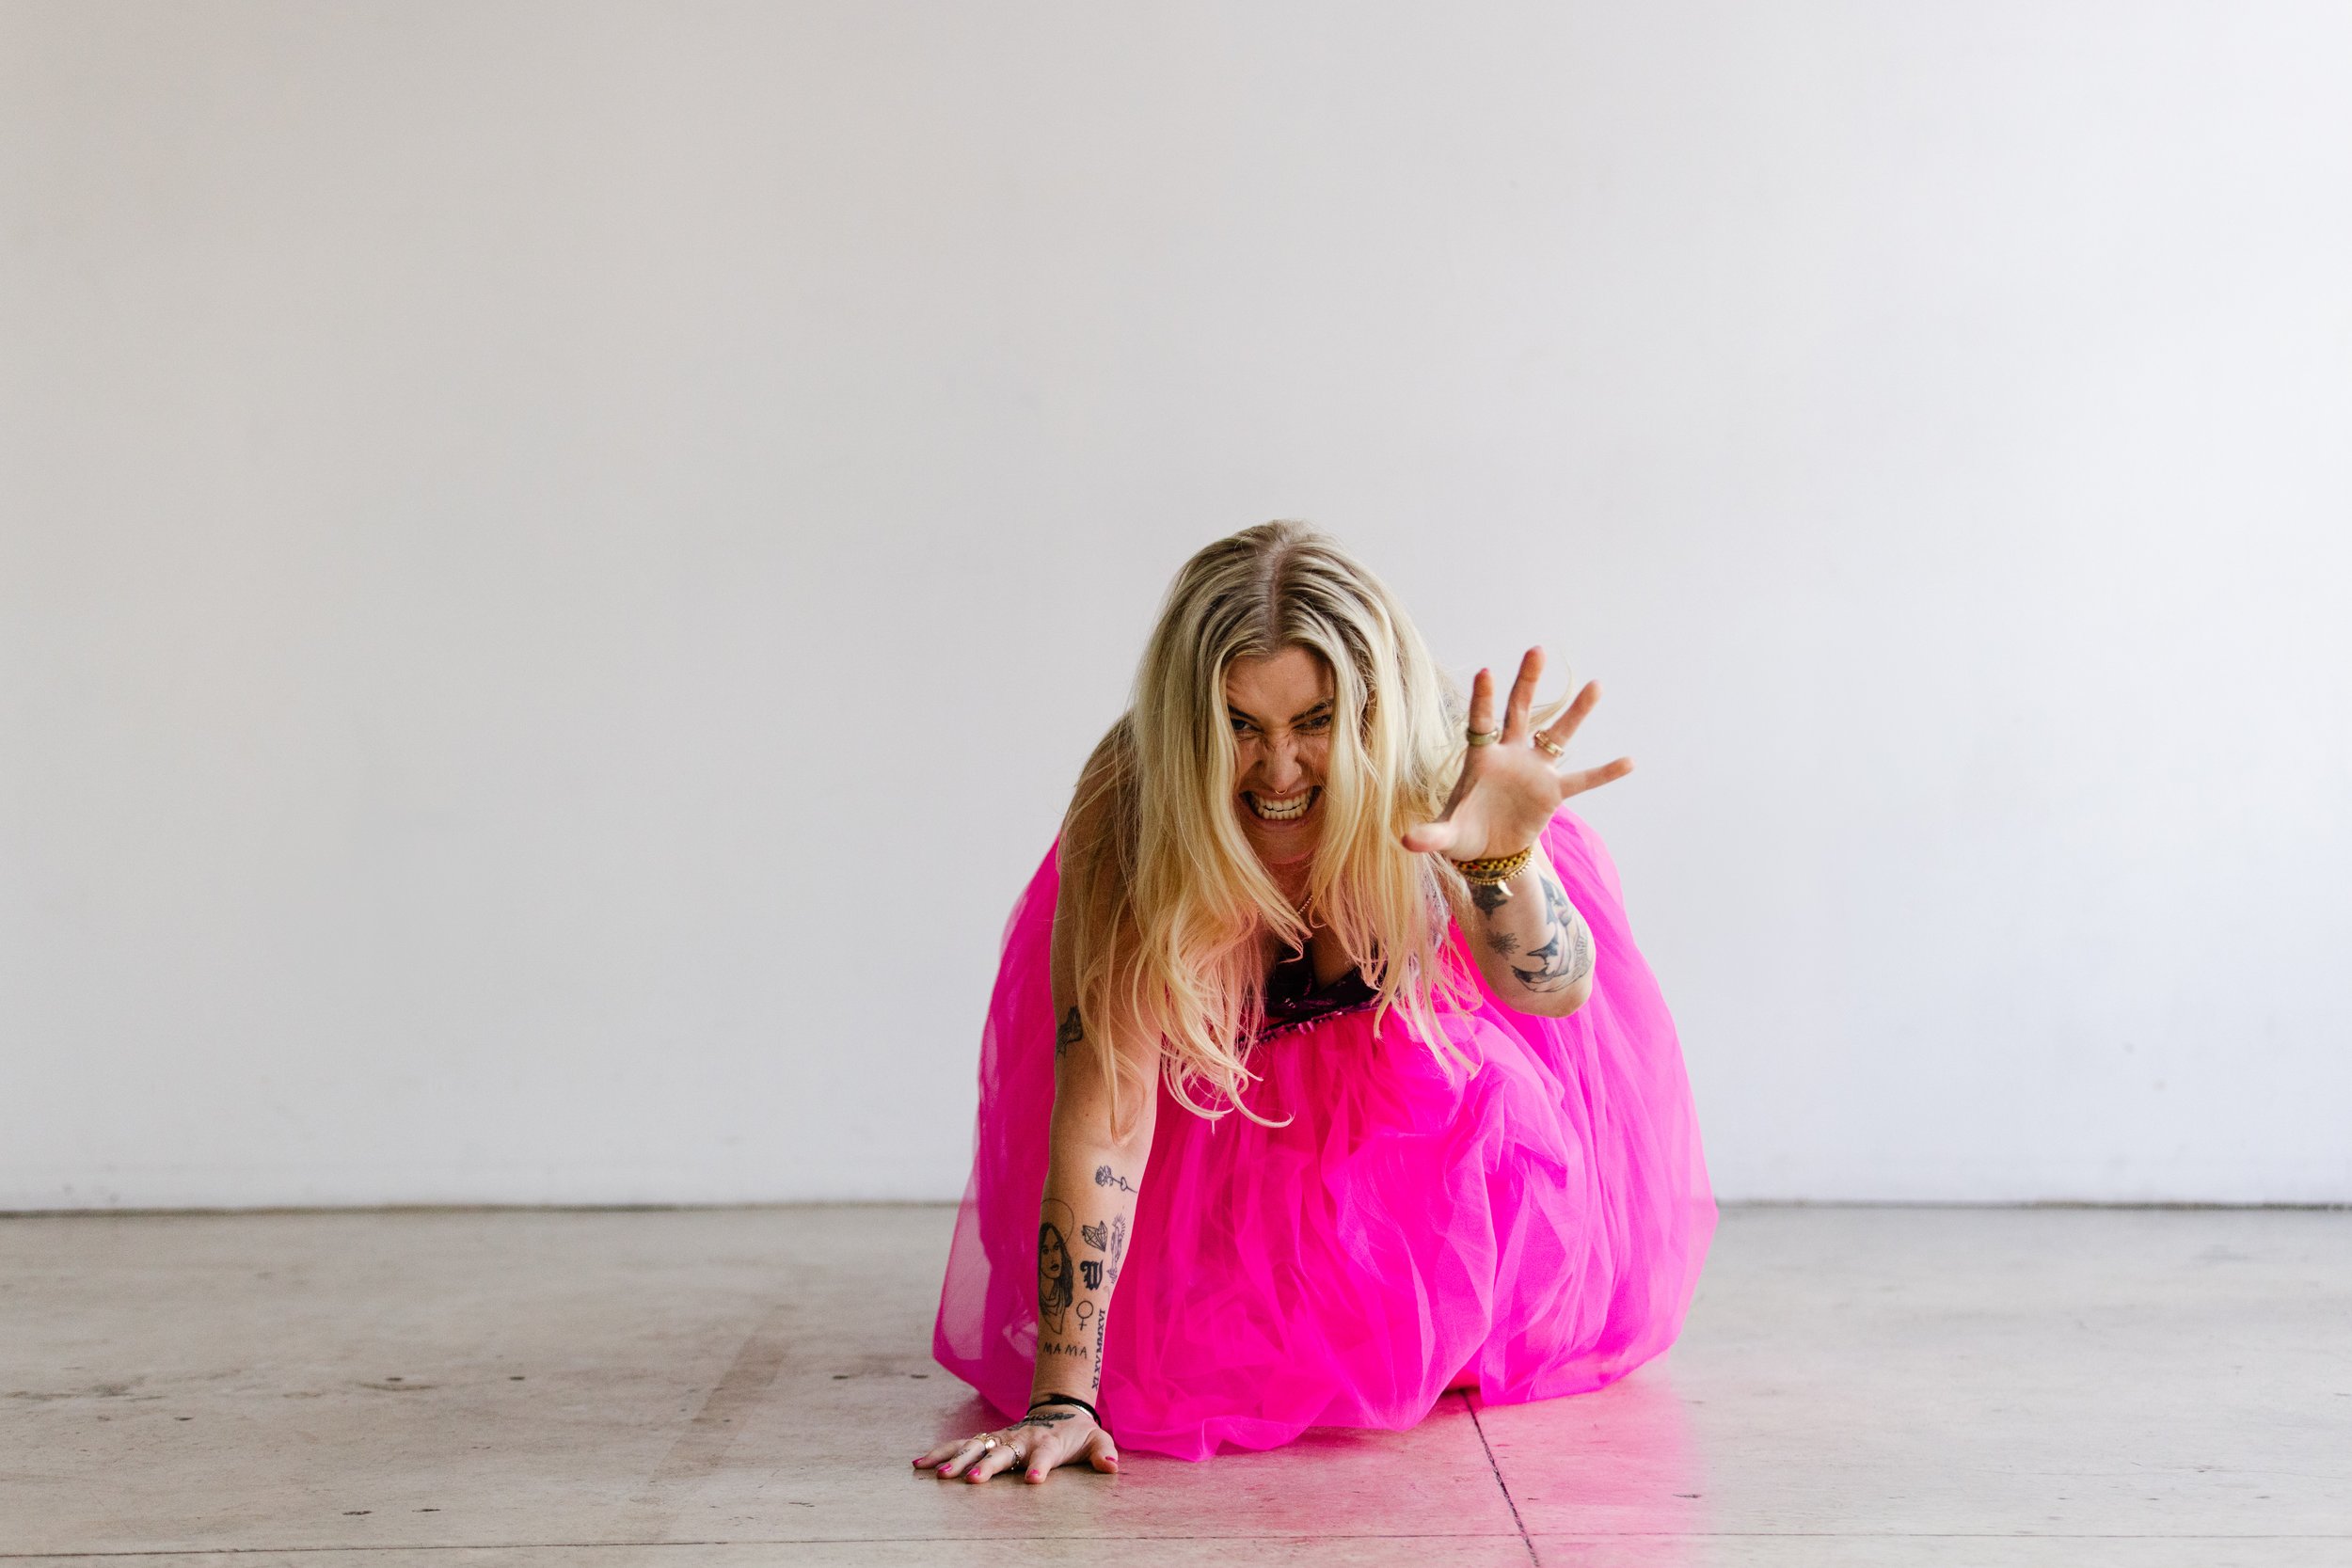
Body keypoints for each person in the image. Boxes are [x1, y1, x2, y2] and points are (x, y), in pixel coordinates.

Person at [916, 521, 1715, 1481]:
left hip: (1422, 1107)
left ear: (1375, 710)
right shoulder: (1133, 808)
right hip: (1230, 1115)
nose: (1280, 768)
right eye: (1239, 725)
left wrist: (1502, 859)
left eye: (1315, 721)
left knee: (1477, 1135)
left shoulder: (1438, 768)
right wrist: (1063, 1397)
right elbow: (1109, 1113)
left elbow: (1551, 991)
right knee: (1191, 1347)